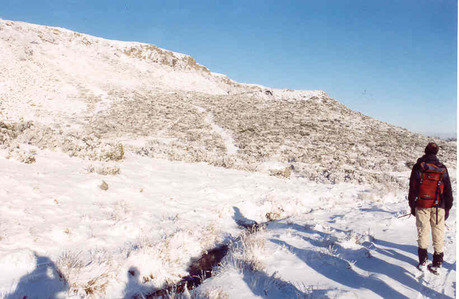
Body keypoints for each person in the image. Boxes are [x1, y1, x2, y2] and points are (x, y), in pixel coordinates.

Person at [408, 142, 453, 274]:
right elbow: (448, 190)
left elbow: (412, 188)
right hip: (439, 206)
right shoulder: (442, 168)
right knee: (438, 233)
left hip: (422, 205)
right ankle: (437, 262)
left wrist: (412, 206)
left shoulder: (418, 167)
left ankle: (422, 261)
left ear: (425, 151)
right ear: (436, 153)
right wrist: (447, 207)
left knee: (423, 232)